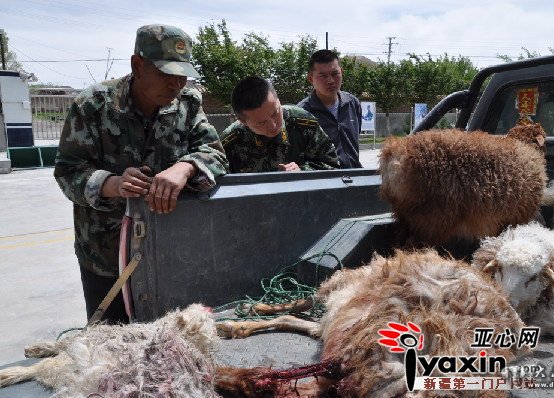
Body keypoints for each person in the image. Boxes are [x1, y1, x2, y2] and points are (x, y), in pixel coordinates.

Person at [54, 24, 228, 324]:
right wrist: (113, 184)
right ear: (137, 65)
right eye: (165, 73)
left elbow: (215, 154)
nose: (175, 84)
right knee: (111, 350)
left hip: (170, 253)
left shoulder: (188, 105)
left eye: (182, 75)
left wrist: (183, 168)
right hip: (107, 258)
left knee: (171, 347)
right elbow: (68, 172)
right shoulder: (94, 106)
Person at [220, 76, 340, 173]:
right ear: (243, 122)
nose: (273, 125)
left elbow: (332, 165)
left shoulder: (303, 124)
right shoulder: (230, 143)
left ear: (278, 101)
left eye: (275, 113)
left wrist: (303, 171)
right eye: (261, 123)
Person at [297, 49, 363, 168]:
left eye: (335, 74)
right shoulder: (302, 113)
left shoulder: (352, 103)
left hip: (355, 177)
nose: (331, 81)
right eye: (323, 76)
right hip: (324, 182)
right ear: (311, 79)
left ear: (341, 72)